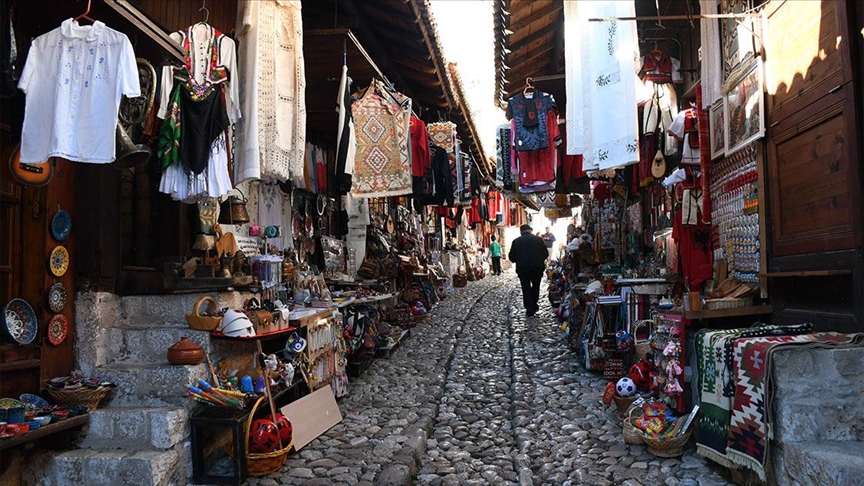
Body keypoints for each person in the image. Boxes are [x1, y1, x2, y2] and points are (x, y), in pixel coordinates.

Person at [508, 224, 549, 317]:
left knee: (525, 287)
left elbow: (512, 257)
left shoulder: (516, 241)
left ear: (521, 232)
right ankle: (534, 304)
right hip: (537, 268)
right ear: (530, 230)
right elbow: (545, 254)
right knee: (536, 286)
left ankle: (529, 308)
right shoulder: (539, 240)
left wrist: (519, 259)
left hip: (523, 268)